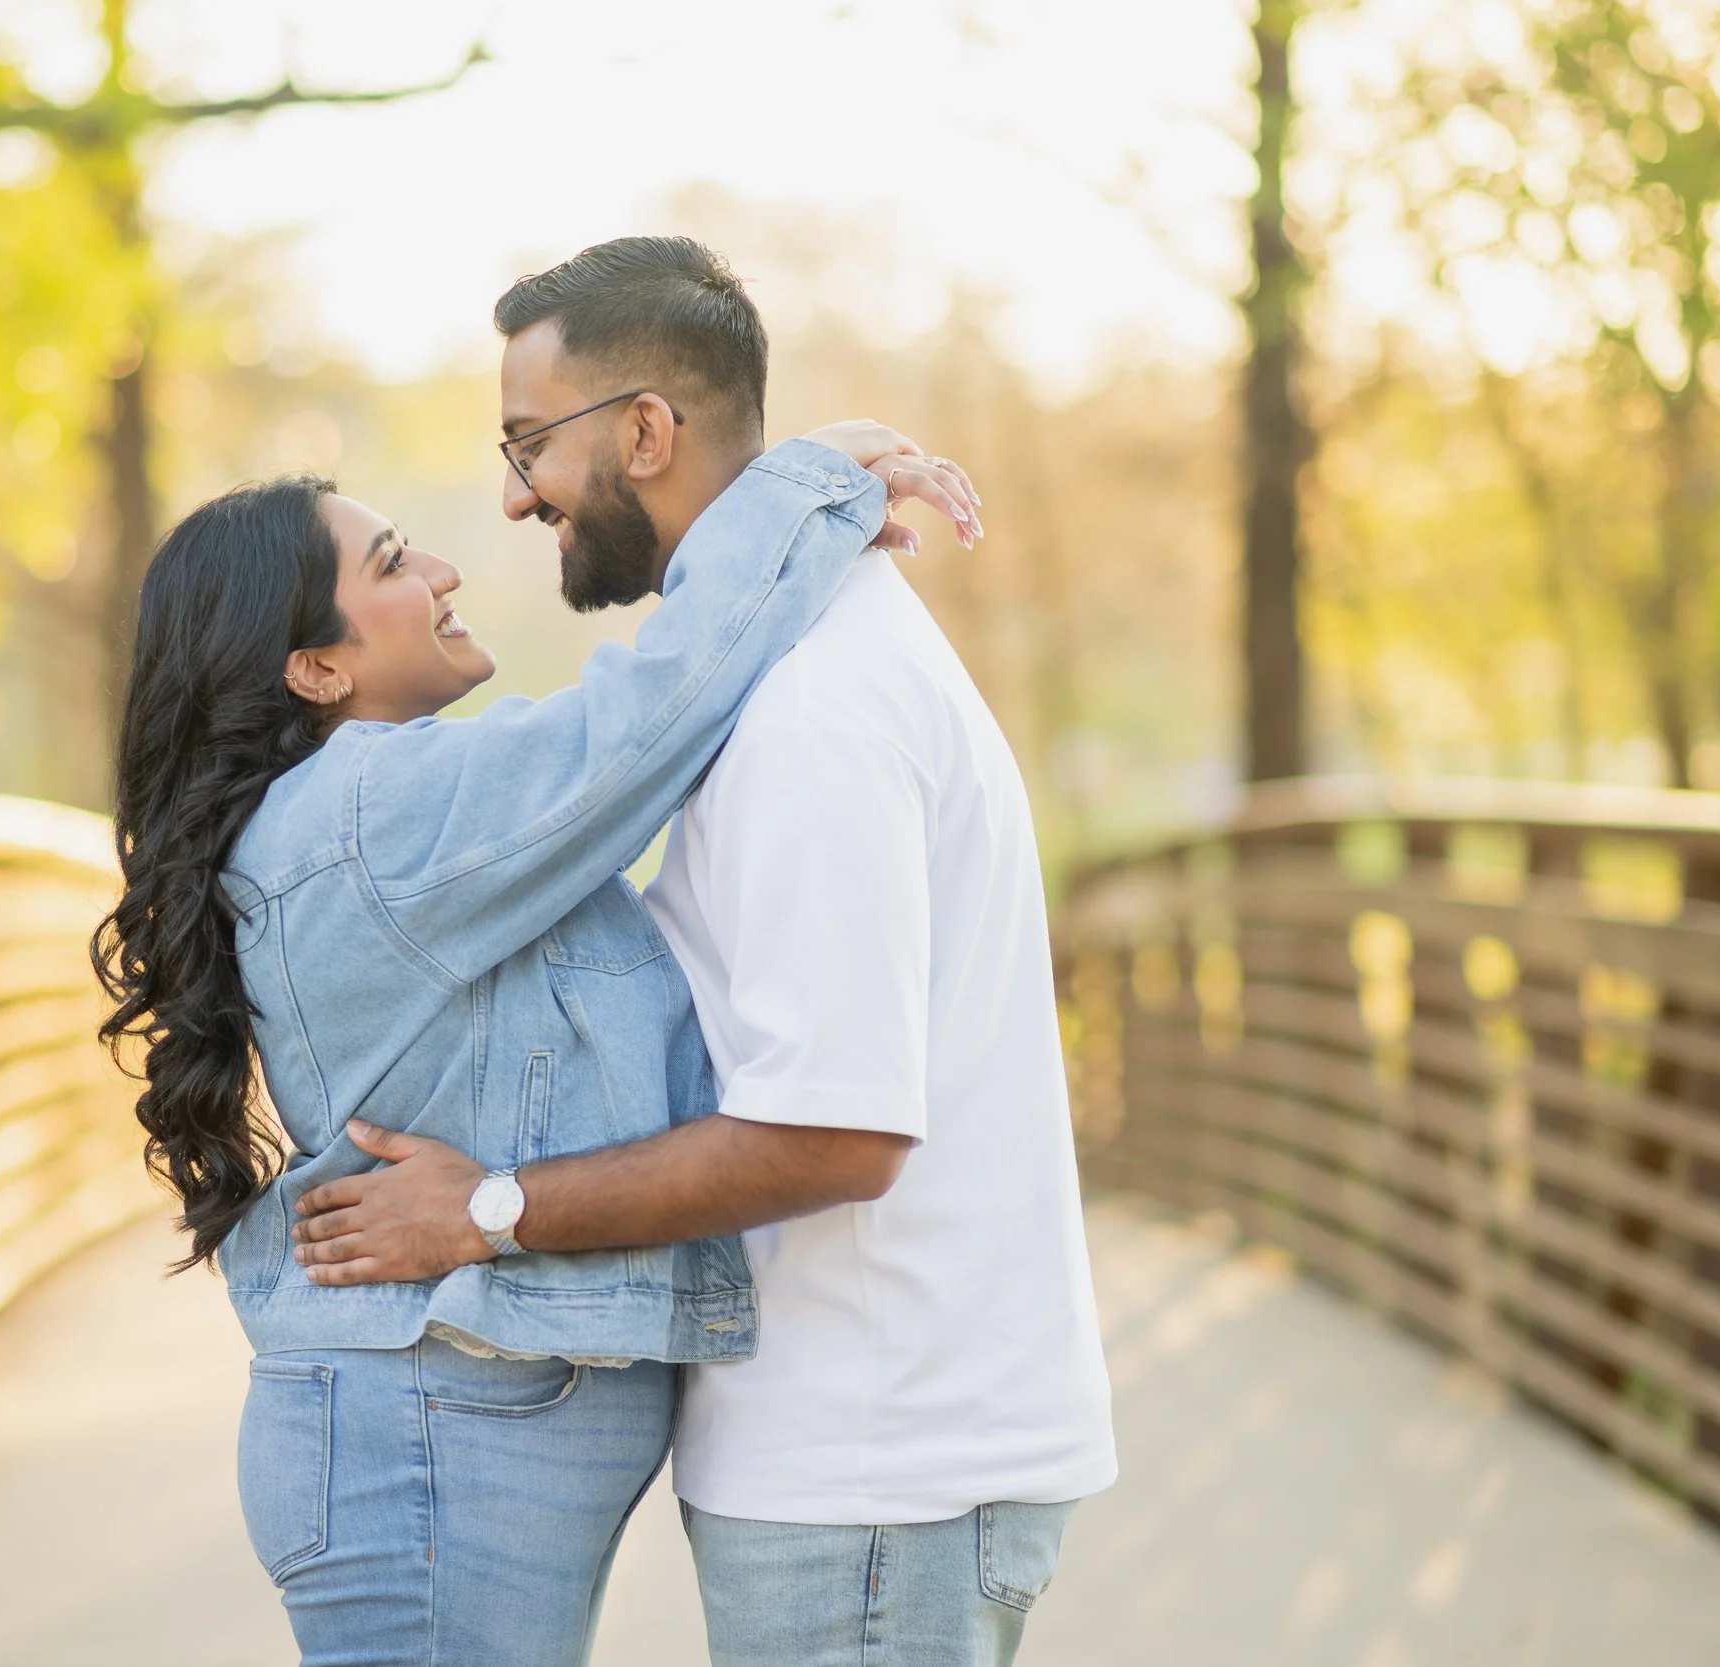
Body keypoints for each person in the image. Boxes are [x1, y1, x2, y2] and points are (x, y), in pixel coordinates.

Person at [91, 311, 978, 1659]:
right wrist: (801, 489)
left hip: (439, 1448)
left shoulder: (374, 818)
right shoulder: (369, 815)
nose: (445, 565)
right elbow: (646, 721)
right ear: (316, 665)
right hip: (423, 1460)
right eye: (393, 562)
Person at [289, 237, 1117, 1667]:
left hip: (875, 1465)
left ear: (647, 432)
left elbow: (837, 1130)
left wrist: (483, 1208)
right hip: (859, 1454)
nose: (507, 494)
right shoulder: (786, 664)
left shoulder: (809, 710)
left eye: (526, 442)